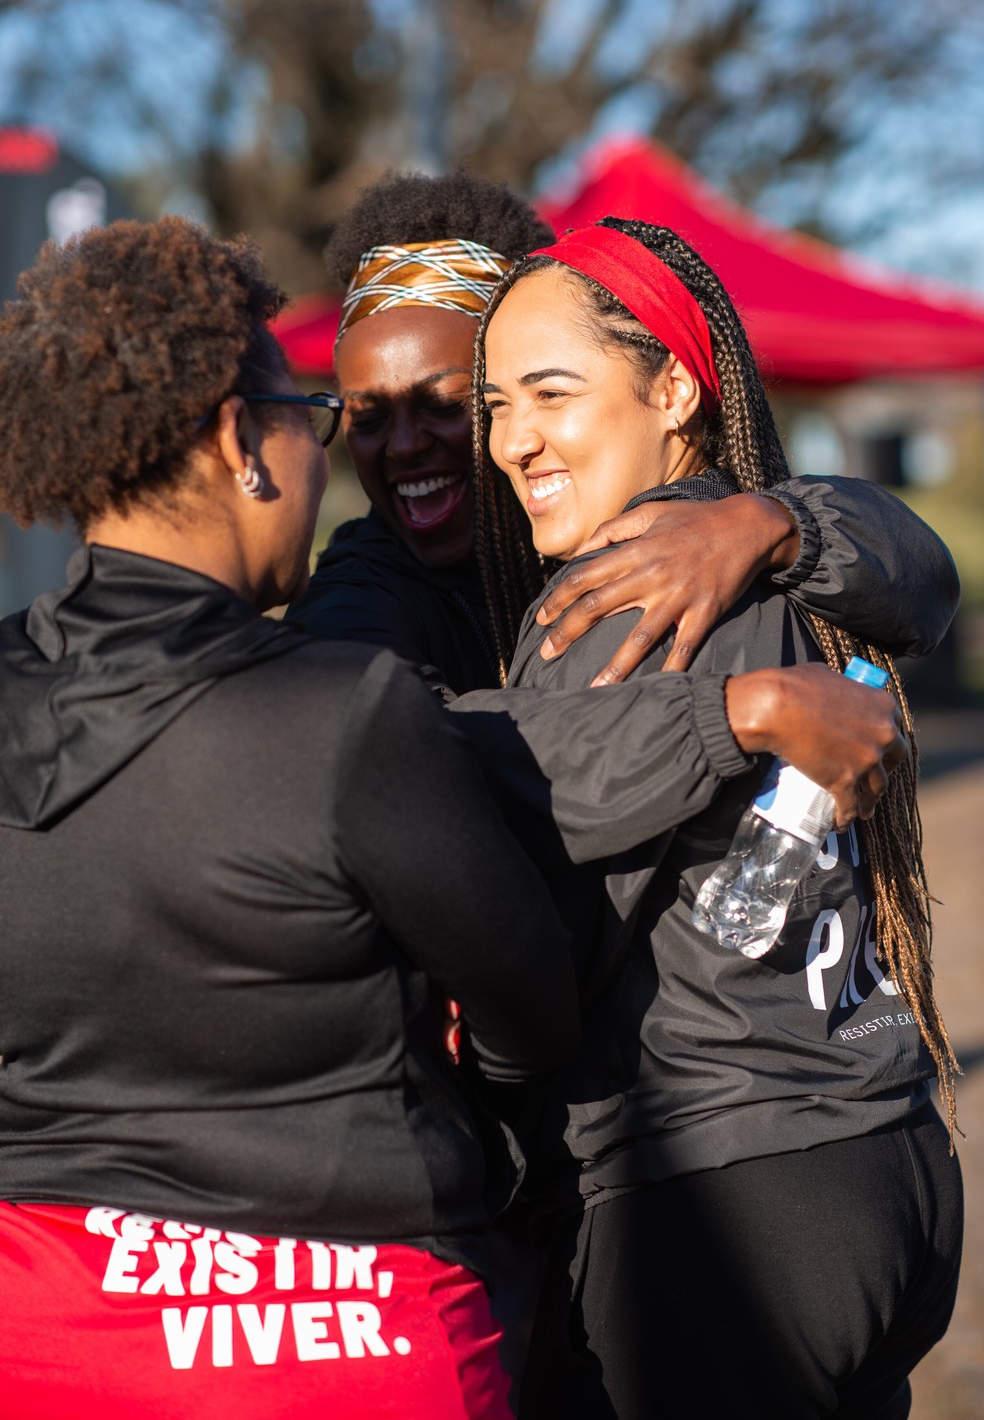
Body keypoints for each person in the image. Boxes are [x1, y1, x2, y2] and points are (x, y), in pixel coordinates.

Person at [0, 215, 585, 1420]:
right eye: (314, 419)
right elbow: (534, 1005)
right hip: (345, 1337)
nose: (326, 461)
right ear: (237, 440)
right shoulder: (344, 714)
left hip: (41, 1329)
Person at [471, 217, 964, 1420]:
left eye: (551, 390)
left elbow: (531, 911)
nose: (511, 436)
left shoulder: (621, 593)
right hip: (884, 1161)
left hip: (723, 1203)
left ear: (675, 386)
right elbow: (916, 570)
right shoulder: (765, 560)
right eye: (494, 400)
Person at [289, 169, 959, 697]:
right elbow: (413, 762)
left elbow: (926, 586)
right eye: (368, 416)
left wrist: (777, 527)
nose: (403, 445)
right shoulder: (359, 594)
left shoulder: (703, 540)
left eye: (449, 405)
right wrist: (742, 715)